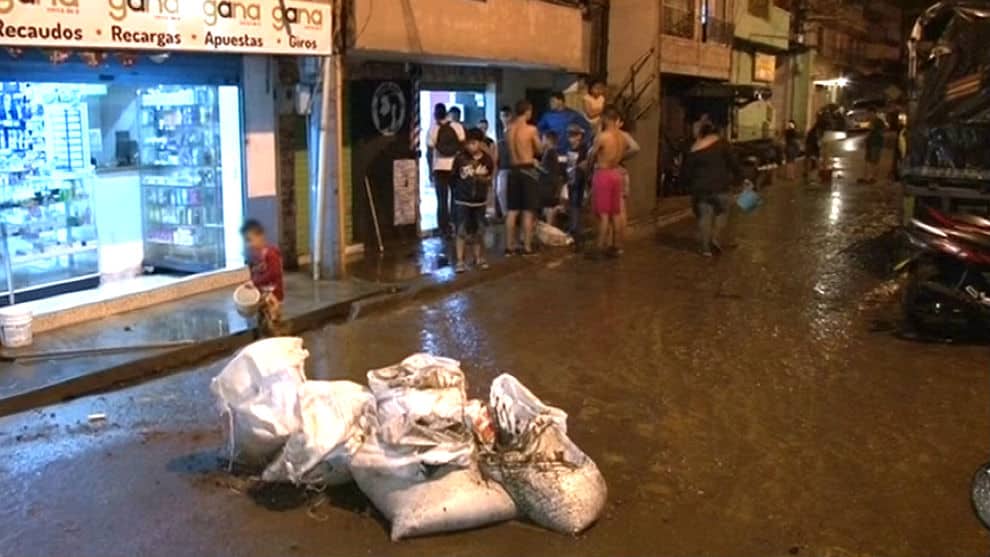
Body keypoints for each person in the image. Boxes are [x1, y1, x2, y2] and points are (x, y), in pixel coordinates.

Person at [682, 122, 742, 257]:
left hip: (700, 188)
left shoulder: (695, 148)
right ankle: (715, 237)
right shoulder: (722, 144)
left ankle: (705, 249)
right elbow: (733, 163)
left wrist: (686, 185)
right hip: (720, 186)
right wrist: (740, 177)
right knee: (722, 211)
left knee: (704, 216)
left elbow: (686, 170)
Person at [451, 128, 495, 273]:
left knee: (479, 231)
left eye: (474, 143)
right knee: (461, 230)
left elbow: (489, 178)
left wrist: (481, 179)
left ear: (481, 143)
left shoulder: (487, 160)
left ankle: (478, 258)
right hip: (462, 200)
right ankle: (460, 261)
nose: (471, 146)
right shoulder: (460, 159)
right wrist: (457, 193)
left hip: (480, 201)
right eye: (468, 143)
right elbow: (453, 177)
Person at [589, 105, 627, 259]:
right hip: (616, 173)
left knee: (603, 214)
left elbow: (592, 154)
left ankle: (600, 247)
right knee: (615, 213)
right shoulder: (622, 137)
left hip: (603, 173)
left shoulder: (603, 136)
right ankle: (616, 246)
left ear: (605, 118)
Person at [506, 99, 542, 256]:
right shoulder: (531, 130)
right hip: (527, 169)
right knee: (528, 210)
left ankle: (509, 246)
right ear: (527, 111)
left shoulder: (509, 129)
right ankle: (527, 247)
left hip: (513, 170)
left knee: (512, 210)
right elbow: (539, 149)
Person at [241, 219, 284, 337]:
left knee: (273, 324)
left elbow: (274, 273)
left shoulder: (270, 254)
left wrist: (254, 282)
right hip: (262, 296)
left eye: (250, 240)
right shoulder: (256, 256)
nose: (248, 244)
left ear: (260, 236)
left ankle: (277, 344)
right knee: (263, 323)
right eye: (246, 241)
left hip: (273, 296)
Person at [428, 103, 466, 235]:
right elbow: (463, 146)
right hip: (455, 167)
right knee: (456, 198)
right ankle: (456, 224)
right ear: (447, 113)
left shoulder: (433, 128)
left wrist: (430, 170)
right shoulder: (457, 126)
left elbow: (429, 151)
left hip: (439, 168)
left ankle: (443, 227)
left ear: (435, 114)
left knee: (441, 199)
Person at [564, 124, 590, 243]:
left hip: (579, 180)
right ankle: (574, 226)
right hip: (571, 179)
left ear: (580, 136)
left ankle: (575, 228)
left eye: (574, 135)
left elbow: (586, 163)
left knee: (576, 204)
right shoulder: (568, 149)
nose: (572, 138)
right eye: (570, 135)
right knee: (572, 204)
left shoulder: (583, 149)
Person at [539, 131, 566, 222]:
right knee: (549, 208)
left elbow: (545, 170)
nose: (541, 141)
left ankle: (549, 230)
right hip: (551, 185)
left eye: (542, 139)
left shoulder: (550, 152)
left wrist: (536, 165)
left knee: (549, 208)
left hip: (548, 186)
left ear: (548, 140)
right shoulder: (554, 152)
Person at [494, 106, 513, 219]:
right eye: (502, 116)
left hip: (513, 166)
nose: (504, 118)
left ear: (511, 116)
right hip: (502, 166)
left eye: (506, 115)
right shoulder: (501, 132)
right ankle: (506, 215)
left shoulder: (514, 131)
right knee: (501, 192)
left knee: (507, 192)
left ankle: (510, 216)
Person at [862, 108, 886, 184]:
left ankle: (873, 177)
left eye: (869, 113)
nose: (868, 115)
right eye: (868, 113)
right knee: (869, 160)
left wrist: (868, 136)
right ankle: (869, 176)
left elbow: (874, 131)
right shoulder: (873, 121)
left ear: (874, 113)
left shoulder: (878, 121)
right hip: (871, 143)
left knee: (874, 161)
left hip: (876, 143)